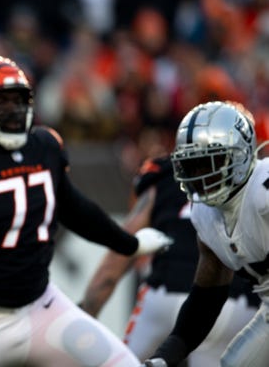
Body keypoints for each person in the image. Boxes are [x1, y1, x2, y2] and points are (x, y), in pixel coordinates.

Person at [0, 55, 174, 366]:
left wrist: (129, 243)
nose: (14, 110)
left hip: (41, 308)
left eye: (19, 99)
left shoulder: (44, 146)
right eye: (1, 102)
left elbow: (75, 210)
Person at [80, 154, 260, 366]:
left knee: (123, 362)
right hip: (230, 302)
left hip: (164, 296)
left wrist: (83, 317)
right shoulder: (256, 178)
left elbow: (118, 257)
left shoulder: (165, 175)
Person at [141, 100, 269, 367]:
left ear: (240, 155)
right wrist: (165, 356)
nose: (202, 177)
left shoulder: (262, 192)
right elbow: (206, 299)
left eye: (211, 162)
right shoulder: (204, 215)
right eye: (193, 167)